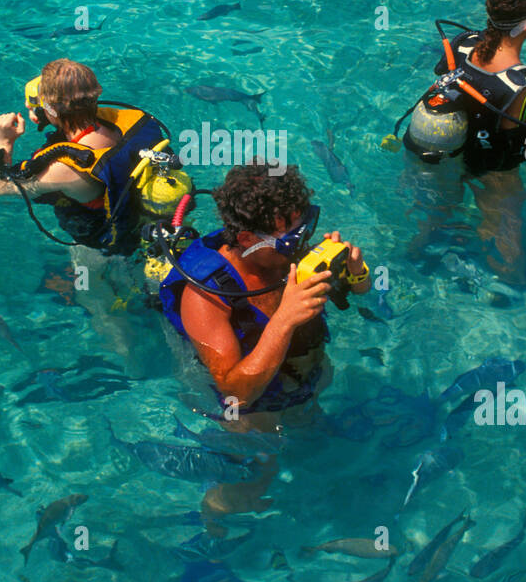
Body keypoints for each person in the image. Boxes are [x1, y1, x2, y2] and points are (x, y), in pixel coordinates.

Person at [156, 163, 370, 524]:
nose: (302, 244)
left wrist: (355, 272)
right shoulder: (206, 295)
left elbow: (359, 291)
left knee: (308, 433)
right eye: (290, 237)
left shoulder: (288, 255)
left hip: (301, 377)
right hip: (251, 409)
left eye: (306, 227)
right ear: (246, 239)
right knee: (255, 473)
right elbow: (235, 394)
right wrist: (285, 317)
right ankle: (216, 524)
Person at [0, 59, 190, 367]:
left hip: (105, 249)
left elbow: (0, 190)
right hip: (155, 226)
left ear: (52, 111)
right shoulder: (130, 124)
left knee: (101, 306)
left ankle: (132, 366)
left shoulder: (65, 170)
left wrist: (3, 142)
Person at [400, 0, 526, 283]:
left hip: (449, 155)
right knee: (505, 238)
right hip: (493, 171)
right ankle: (508, 299)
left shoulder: (463, 43)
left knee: (433, 225)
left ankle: (412, 264)